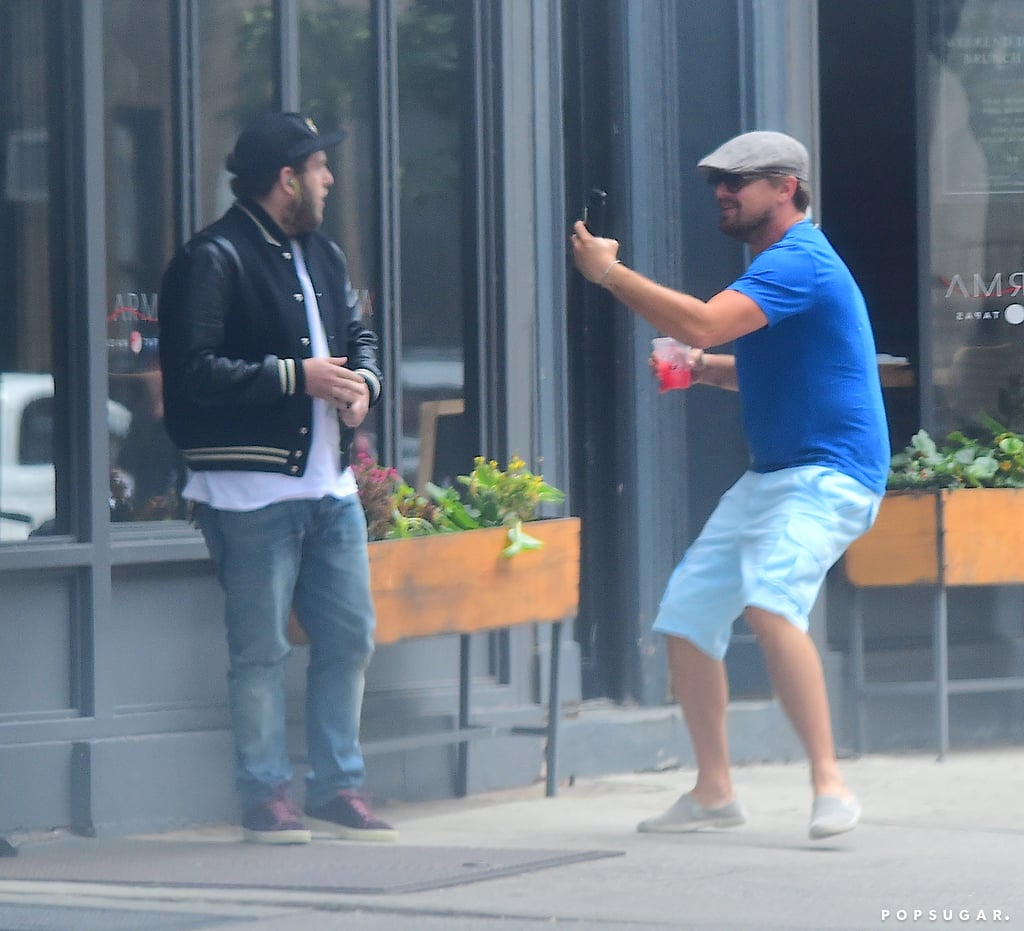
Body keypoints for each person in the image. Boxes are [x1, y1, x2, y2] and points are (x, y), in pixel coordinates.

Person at [571, 130, 889, 840]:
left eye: (739, 180)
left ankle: (830, 784)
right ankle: (714, 792)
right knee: (686, 614)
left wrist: (609, 274)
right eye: (716, 179)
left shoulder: (799, 261)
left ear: (786, 188)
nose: (722, 190)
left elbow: (704, 322)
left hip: (831, 475)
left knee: (772, 601)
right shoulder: (780, 268)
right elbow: (770, 364)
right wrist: (704, 369)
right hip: (776, 474)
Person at [158, 111, 395, 845]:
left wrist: (365, 383)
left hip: (329, 488)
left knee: (351, 638)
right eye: (320, 168)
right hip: (250, 493)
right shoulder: (212, 256)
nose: (329, 178)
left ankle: (337, 786)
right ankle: (265, 795)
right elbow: (190, 374)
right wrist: (297, 376)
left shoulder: (321, 252)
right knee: (259, 650)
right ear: (287, 178)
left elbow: (358, 335)